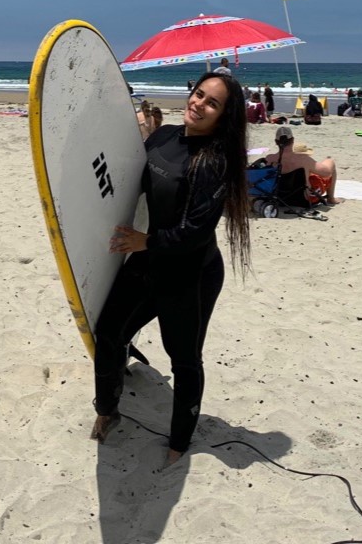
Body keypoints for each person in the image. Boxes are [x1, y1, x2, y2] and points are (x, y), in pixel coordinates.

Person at [91, 72, 251, 466]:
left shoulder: (215, 162)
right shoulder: (163, 138)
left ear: (223, 117)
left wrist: (146, 242)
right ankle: (107, 408)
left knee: (183, 358)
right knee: (109, 333)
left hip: (190, 271)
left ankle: (180, 441)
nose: (199, 104)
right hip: (149, 257)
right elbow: (128, 182)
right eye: (199, 94)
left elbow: (196, 232)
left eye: (212, 103)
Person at [264, 126, 342, 205]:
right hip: (303, 199)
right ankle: (331, 199)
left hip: (279, 198)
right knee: (329, 161)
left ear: (276, 142)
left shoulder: (269, 159)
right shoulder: (303, 159)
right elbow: (327, 173)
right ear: (293, 140)